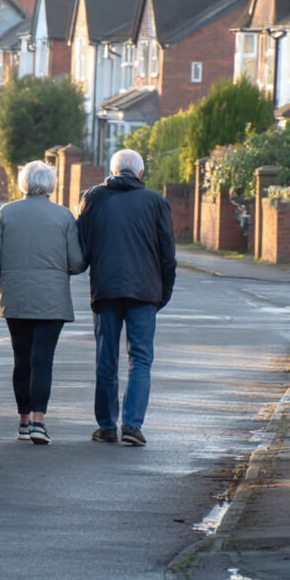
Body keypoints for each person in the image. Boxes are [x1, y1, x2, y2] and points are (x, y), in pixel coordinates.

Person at [77, 149, 176, 447]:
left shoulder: (94, 198)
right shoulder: (156, 202)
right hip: (145, 292)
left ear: (112, 171)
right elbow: (167, 255)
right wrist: (163, 293)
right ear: (141, 174)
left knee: (106, 358)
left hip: (106, 289)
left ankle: (106, 425)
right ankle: (132, 425)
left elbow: (81, 245)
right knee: (141, 359)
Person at [0, 160, 85, 445]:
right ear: (51, 185)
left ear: (24, 182)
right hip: (52, 301)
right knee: (43, 361)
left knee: (21, 361)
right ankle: (39, 422)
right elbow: (76, 263)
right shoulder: (64, 217)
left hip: (15, 297)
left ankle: (23, 422)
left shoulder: (6, 212)